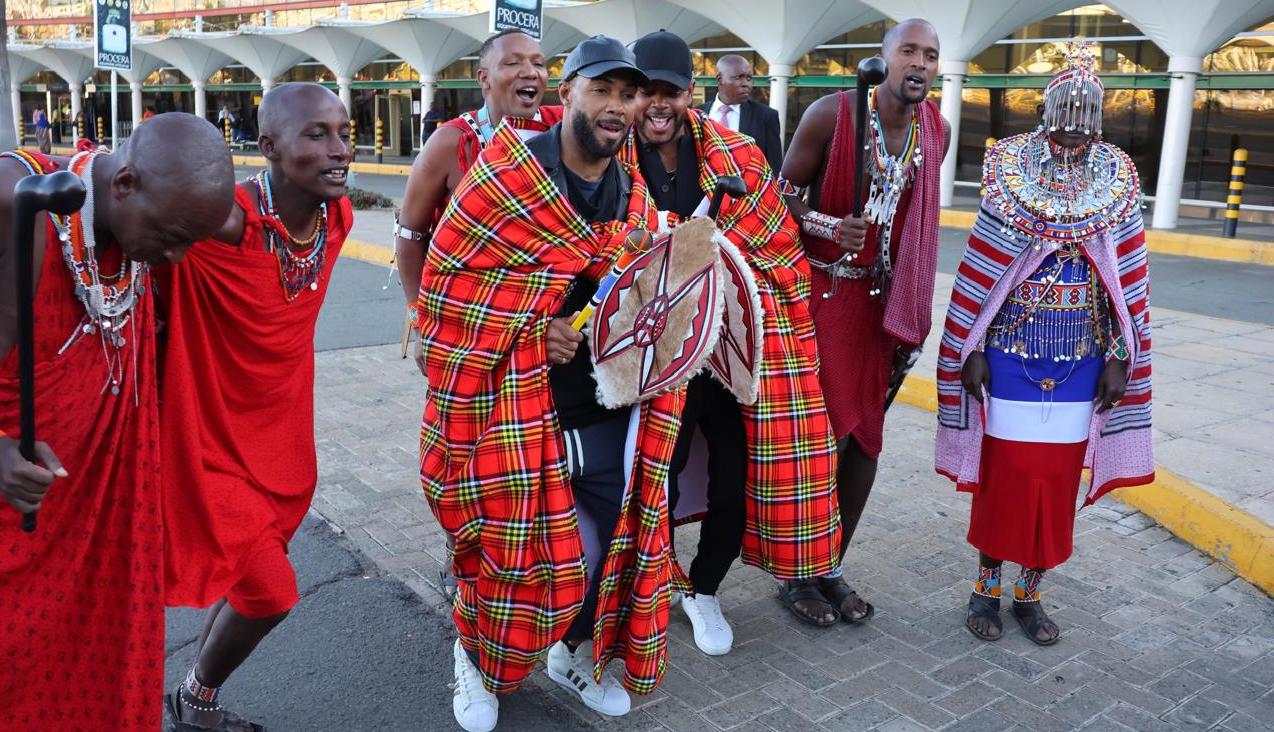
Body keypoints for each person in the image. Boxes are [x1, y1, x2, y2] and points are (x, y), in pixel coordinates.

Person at [417, 35, 694, 732]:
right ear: (567, 92)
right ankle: (474, 659)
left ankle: (569, 652)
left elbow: (640, 291)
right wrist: (530, 332)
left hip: (603, 411)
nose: (617, 106)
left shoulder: (633, 194)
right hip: (510, 408)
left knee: (608, 550)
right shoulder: (505, 179)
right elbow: (447, 294)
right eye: (601, 90)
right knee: (507, 553)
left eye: (628, 95)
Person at [0, 114, 235, 730]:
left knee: (95, 674)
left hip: (104, 518)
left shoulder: (134, 231)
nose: (175, 257)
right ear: (125, 183)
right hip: (17, 522)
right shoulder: (18, 205)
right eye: (172, 237)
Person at [627, 31, 839, 657]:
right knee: (653, 477)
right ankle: (649, 582)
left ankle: (704, 588)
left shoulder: (738, 154)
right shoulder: (610, 159)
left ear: (691, 93)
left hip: (727, 347)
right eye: (646, 91)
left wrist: (702, 252)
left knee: (735, 474)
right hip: (647, 351)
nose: (658, 104)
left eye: (670, 91)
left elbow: (778, 244)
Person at [935, 43, 1154, 646]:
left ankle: (1029, 595)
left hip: (1084, 364)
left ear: (1099, 123)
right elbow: (982, 273)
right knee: (1004, 477)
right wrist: (973, 348)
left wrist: (1119, 358)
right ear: (1042, 114)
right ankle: (986, 589)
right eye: (1063, 119)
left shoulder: (1117, 180)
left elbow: (1128, 283)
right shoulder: (1009, 171)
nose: (1073, 132)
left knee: (1055, 485)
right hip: (1008, 359)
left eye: (1085, 122)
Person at [157, 83, 354, 731]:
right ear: (267, 146)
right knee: (271, 593)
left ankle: (194, 695)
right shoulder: (224, 220)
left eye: (344, 132)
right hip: (206, 442)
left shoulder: (338, 218)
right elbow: (145, 207)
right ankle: (196, 700)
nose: (339, 149)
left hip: (282, 442)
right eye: (316, 135)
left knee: (250, 581)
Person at [778, 18, 949, 626]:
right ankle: (797, 572)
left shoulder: (937, 131)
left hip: (884, 307)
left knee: (866, 442)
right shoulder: (832, 114)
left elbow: (915, 223)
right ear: (884, 58)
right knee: (822, 437)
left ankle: (830, 565)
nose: (919, 63)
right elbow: (777, 196)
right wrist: (826, 224)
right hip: (824, 298)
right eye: (909, 51)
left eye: (930, 55)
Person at [396, 28, 560, 598]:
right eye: (514, 63)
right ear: (484, 77)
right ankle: (461, 554)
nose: (531, 72)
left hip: (538, 333)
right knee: (463, 452)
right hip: (465, 336)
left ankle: (527, 555)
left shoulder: (560, 131)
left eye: (539, 62)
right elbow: (410, 234)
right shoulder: (452, 142)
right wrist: (421, 320)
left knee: (526, 454)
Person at [700, 54, 783, 172]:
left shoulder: (766, 116)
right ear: (719, 79)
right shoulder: (698, 115)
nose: (746, 84)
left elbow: (774, 166)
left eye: (749, 78)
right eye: (739, 77)